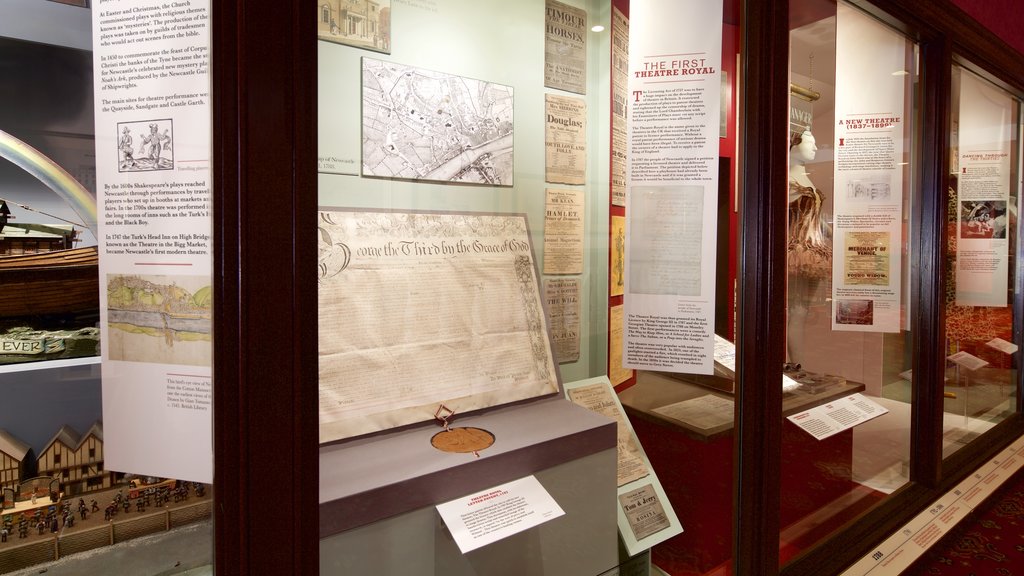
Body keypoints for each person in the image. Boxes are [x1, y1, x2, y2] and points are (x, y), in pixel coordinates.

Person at [786, 128, 832, 368]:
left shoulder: (805, 179)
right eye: (810, 143)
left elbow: (814, 217)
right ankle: (796, 366)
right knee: (797, 310)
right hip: (796, 251)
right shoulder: (786, 180)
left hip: (812, 251)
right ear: (793, 146)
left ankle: (796, 366)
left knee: (801, 310)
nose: (815, 148)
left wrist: (833, 233)